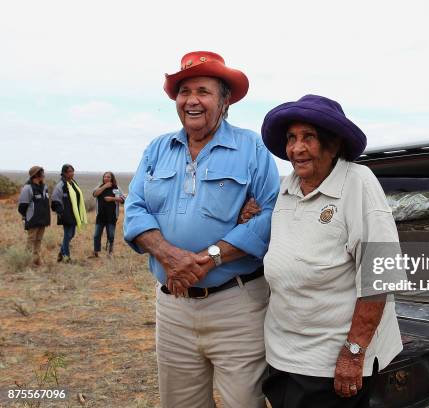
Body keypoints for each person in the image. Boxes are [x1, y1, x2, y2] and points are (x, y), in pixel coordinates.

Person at [123, 51, 279, 408]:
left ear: (224, 102)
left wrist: (210, 258)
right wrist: (169, 255)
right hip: (173, 305)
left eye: (203, 91)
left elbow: (270, 214)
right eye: (184, 91)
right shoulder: (158, 148)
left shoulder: (250, 147)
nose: (192, 100)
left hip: (236, 305)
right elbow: (134, 209)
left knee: (245, 402)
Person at [257, 94, 404, 407]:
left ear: (333, 144)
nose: (296, 148)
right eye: (291, 138)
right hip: (283, 354)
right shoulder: (288, 187)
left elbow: (380, 276)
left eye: (308, 137)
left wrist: (354, 352)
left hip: (331, 361)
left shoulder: (358, 183)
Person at [51, 164, 87, 263]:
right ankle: (66, 257)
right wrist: (60, 211)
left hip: (74, 214)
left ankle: (61, 253)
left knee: (71, 235)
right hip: (65, 214)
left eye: (72, 171)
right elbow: (55, 199)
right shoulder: (61, 185)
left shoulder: (73, 183)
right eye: (69, 171)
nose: (71, 173)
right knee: (68, 235)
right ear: (64, 173)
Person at [17, 166, 51, 266]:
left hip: (43, 219)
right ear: (36, 175)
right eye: (42, 173)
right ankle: (26, 261)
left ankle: (36, 260)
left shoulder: (44, 187)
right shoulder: (27, 188)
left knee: (39, 240)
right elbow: (22, 206)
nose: (44, 175)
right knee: (31, 240)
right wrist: (26, 217)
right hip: (33, 219)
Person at [92, 171, 125, 257]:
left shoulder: (117, 188)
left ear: (112, 178)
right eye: (105, 177)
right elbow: (94, 194)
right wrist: (104, 187)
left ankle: (110, 252)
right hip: (100, 216)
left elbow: (123, 200)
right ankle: (96, 252)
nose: (106, 178)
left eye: (108, 177)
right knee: (96, 235)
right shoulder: (100, 187)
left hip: (112, 216)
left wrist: (112, 199)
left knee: (111, 235)